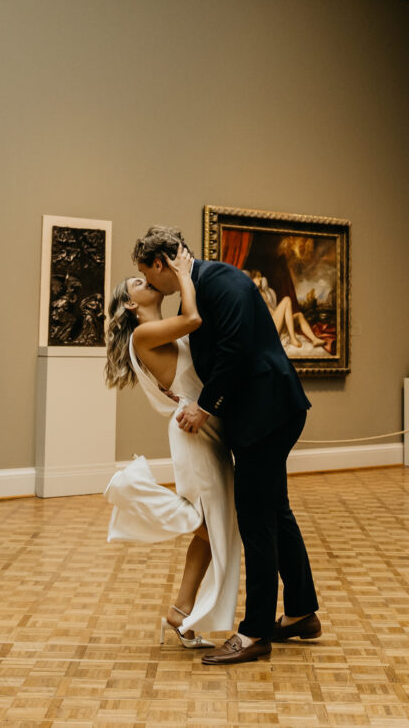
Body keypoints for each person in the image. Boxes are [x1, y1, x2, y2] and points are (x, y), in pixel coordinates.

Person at [135, 225, 320, 667]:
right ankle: (299, 613)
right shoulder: (202, 289)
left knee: (256, 521)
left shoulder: (222, 281)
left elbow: (236, 350)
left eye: (145, 272)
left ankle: (254, 632)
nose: (148, 281)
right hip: (266, 412)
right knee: (275, 509)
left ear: (161, 264)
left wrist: (204, 406)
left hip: (266, 414)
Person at [102, 246, 240, 648]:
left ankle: (180, 614)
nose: (146, 280)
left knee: (212, 532)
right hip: (192, 433)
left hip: (205, 427)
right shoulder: (145, 334)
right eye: (137, 282)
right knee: (212, 528)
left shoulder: (163, 330)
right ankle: (129, 488)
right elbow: (194, 318)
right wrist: (184, 273)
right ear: (130, 303)